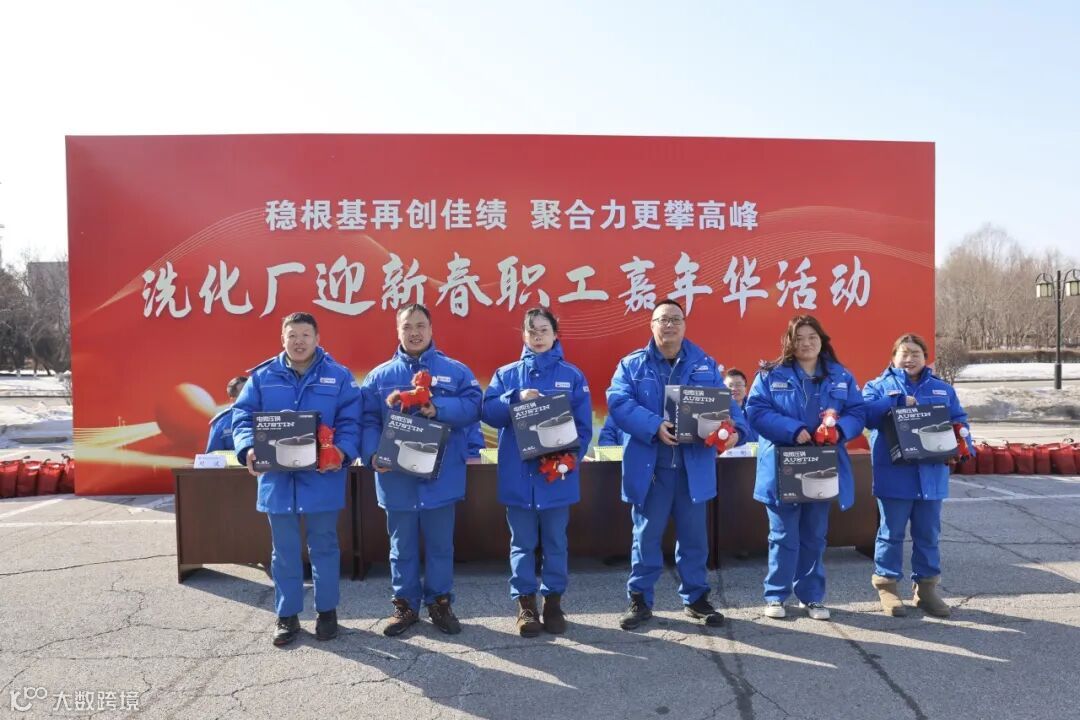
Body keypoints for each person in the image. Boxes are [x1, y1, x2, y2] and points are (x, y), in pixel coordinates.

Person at [606, 299, 747, 630]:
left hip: (691, 469)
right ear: (652, 325)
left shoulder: (705, 365)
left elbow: (728, 409)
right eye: (662, 319)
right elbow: (618, 401)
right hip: (651, 470)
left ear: (684, 325)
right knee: (645, 538)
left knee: (694, 539)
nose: (669, 325)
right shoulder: (632, 365)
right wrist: (653, 424)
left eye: (675, 319)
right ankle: (640, 600)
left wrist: (736, 432)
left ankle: (696, 599)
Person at [232, 312, 360, 646]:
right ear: (283, 339)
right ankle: (287, 616)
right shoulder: (262, 377)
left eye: (305, 335)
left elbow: (352, 421)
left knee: (325, 547)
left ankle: (327, 612)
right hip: (278, 481)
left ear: (317, 339)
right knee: (284, 551)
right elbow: (241, 417)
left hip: (322, 477)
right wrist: (247, 448)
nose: (299, 341)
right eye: (292, 335)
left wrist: (342, 451)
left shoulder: (339, 376)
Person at [360, 303, 482, 637]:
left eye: (420, 326)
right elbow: (367, 419)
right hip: (396, 477)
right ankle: (405, 605)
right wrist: (371, 453)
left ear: (431, 329)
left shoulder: (456, 371)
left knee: (441, 546)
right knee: (401, 547)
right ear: (397, 331)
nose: (414, 333)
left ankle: (440, 603)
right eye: (407, 326)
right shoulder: (379, 377)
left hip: (441, 477)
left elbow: (474, 406)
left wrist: (437, 407)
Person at [745, 314, 865, 621]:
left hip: (822, 465)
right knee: (783, 535)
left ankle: (811, 597)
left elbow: (857, 411)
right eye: (799, 338)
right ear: (789, 342)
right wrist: (792, 429)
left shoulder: (840, 375)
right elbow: (755, 410)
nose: (806, 343)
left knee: (814, 535)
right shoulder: (770, 375)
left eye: (812, 337)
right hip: (782, 465)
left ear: (822, 340)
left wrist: (840, 431)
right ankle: (776, 595)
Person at [481, 308, 592, 637]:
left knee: (556, 542)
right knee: (522, 543)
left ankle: (553, 602)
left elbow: (583, 429)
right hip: (518, 477)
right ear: (524, 336)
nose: (538, 336)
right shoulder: (507, 375)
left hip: (556, 477)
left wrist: (567, 460)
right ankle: (526, 605)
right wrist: (515, 398)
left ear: (556, 334)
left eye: (544, 330)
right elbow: (488, 412)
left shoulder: (572, 376)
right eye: (532, 331)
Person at [862, 333, 972, 618]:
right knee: (891, 533)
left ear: (926, 358)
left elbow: (959, 421)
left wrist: (962, 444)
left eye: (916, 353)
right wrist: (895, 401)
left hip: (931, 475)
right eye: (904, 353)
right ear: (893, 357)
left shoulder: (942, 389)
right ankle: (887, 586)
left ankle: (926, 588)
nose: (910, 358)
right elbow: (866, 416)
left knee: (928, 534)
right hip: (893, 475)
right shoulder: (877, 386)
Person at [205, 375, 248, 453]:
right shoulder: (221, 422)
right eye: (245, 393)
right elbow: (212, 456)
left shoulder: (267, 416)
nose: (251, 396)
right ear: (233, 400)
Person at [723, 368, 758, 443]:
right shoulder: (719, 412)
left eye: (738, 385)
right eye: (730, 386)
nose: (734, 389)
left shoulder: (755, 409)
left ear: (745, 388)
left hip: (755, 449)